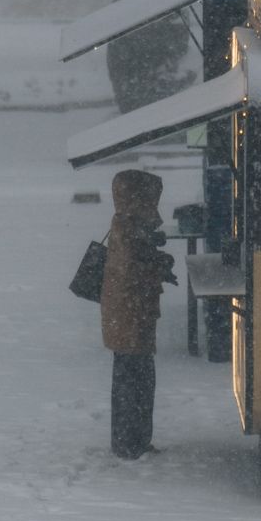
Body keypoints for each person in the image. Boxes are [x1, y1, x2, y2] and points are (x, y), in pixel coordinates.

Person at [100, 169, 177, 459]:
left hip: (130, 317)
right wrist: (158, 265)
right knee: (134, 382)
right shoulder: (127, 227)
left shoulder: (128, 224)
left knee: (134, 379)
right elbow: (131, 272)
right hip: (130, 317)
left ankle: (132, 440)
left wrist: (154, 255)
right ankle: (130, 442)